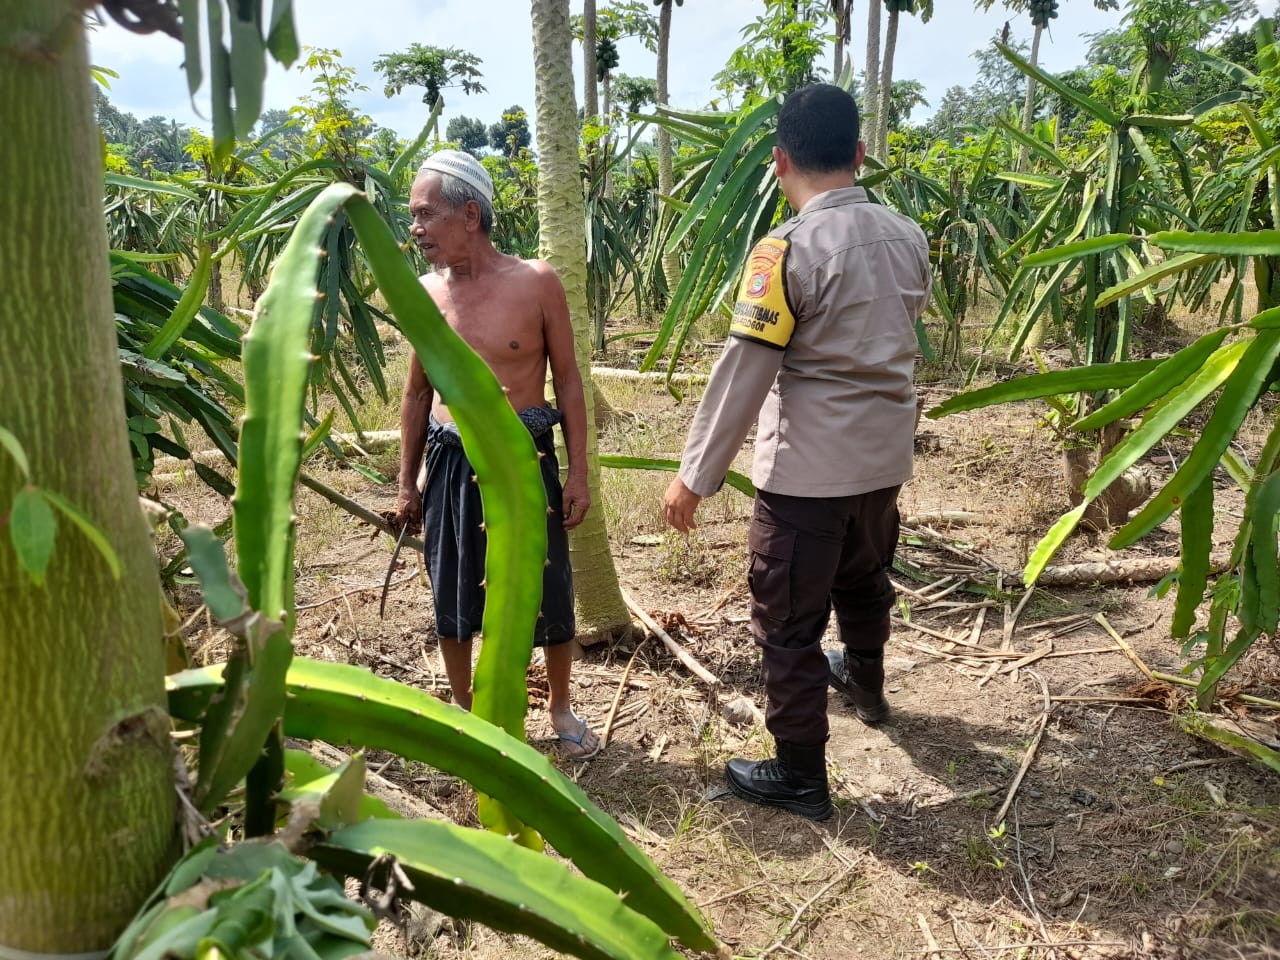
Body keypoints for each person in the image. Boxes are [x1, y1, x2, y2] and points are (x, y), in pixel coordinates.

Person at [663, 85, 931, 819]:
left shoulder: (786, 250)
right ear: (859, 154)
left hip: (808, 477)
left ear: (779, 160)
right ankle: (868, 685)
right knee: (865, 579)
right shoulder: (908, 233)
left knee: (787, 623)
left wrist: (696, 476)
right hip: (883, 465)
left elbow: (745, 370)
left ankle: (802, 777)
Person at [393, 149, 600, 759]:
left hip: (525, 461)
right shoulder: (425, 295)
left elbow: (567, 381)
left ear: (472, 215)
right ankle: (470, 717)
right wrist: (406, 484)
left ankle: (560, 709)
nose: (415, 229)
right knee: (453, 587)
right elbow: (416, 392)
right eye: (413, 217)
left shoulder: (536, 283)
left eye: (426, 214)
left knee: (547, 583)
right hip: (452, 461)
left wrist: (579, 472)